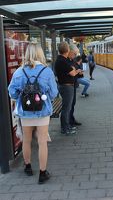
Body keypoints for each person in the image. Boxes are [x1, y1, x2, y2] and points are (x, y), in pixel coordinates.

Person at [8, 43, 58, 184]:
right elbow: (54, 93)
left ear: (27, 54)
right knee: (42, 142)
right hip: (42, 112)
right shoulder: (47, 71)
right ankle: (42, 173)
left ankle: (28, 167)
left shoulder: (19, 72)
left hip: (25, 112)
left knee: (27, 140)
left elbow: (11, 91)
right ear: (40, 54)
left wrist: (23, 96)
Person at [54, 42, 81, 135]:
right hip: (66, 87)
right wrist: (75, 70)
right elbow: (73, 72)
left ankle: (67, 126)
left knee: (68, 107)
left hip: (66, 86)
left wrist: (73, 69)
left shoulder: (62, 60)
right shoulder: (62, 61)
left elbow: (72, 70)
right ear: (67, 50)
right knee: (66, 108)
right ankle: (65, 128)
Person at [68, 44, 82, 126]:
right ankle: (69, 122)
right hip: (68, 86)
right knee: (70, 105)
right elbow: (72, 73)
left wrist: (77, 72)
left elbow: (74, 72)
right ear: (70, 52)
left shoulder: (71, 61)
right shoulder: (67, 61)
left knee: (72, 104)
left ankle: (72, 119)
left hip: (73, 84)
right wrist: (76, 72)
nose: (75, 56)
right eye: (74, 54)